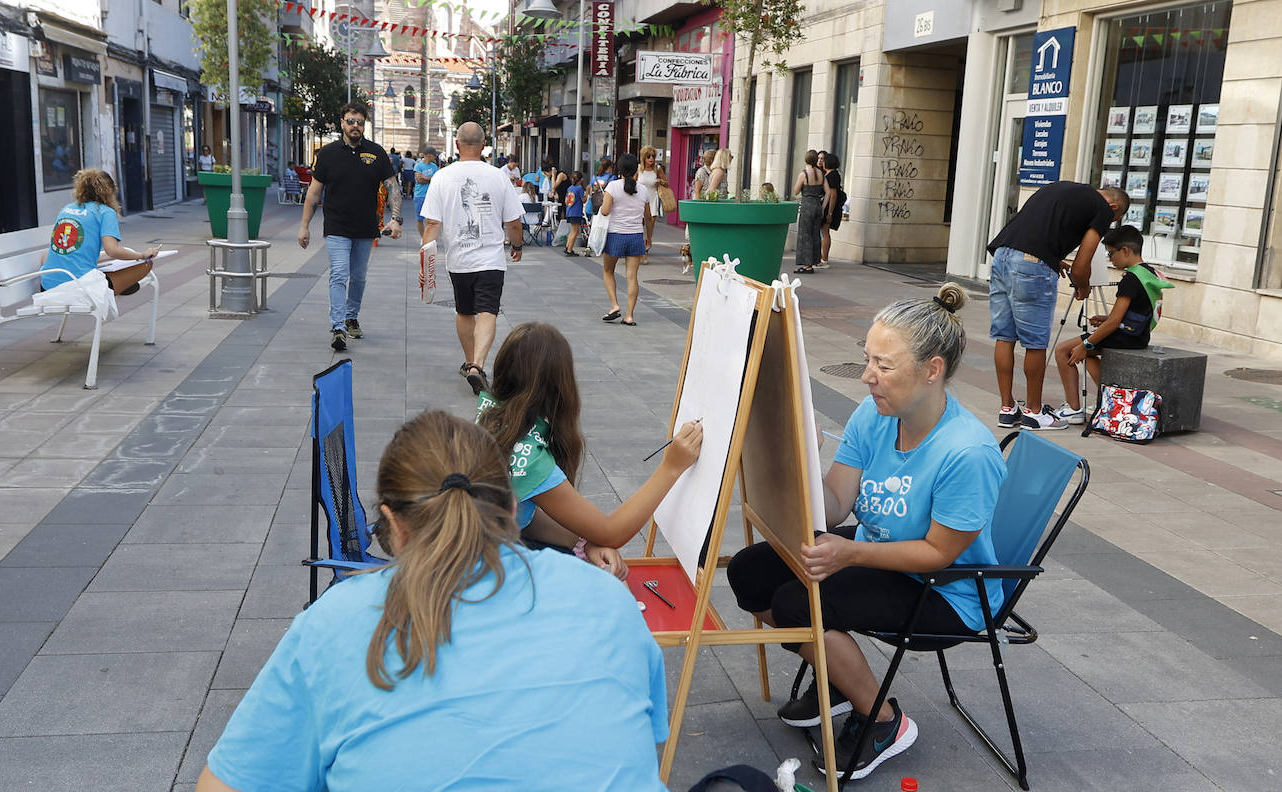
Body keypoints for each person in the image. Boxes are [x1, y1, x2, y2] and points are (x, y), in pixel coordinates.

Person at [195, 411, 671, 792]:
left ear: (392, 525)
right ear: (511, 509)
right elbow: (639, 753)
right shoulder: (609, 601)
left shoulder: (333, 626)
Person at [726, 283, 1005, 782]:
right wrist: (801, 466)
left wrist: (850, 554)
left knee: (798, 601)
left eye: (884, 365)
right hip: (879, 552)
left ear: (932, 369)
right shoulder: (873, 416)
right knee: (749, 573)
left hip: (949, 590)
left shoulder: (967, 452)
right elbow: (833, 508)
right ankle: (840, 678)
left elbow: (939, 553)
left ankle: (883, 719)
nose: (867, 376)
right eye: (867, 359)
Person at [477, 323, 703, 567]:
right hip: (489, 572)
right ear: (560, 387)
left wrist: (584, 543)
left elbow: (525, 517)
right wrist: (671, 467)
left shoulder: (490, 419)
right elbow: (612, 531)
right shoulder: (529, 459)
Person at [986, 181, 1128, 430]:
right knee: (1035, 342)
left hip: (1002, 255)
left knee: (1004, 336)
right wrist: (1082, 286)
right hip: (1032, 265)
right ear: (1113, 206)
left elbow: (1035, 231)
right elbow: (1082, 265)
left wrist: (1052, 259)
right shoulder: (1103, 208)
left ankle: (1007, 408)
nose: (1109, 222)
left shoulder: (1060, 188)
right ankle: (1034, 412)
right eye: (1115, 218)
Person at [420, 122, 524, 396]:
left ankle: (469, 362)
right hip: (490, 260)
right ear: (484, 145)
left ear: (456, 145)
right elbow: (513, 221)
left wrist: (425, 265)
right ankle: (478, 364)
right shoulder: (499, 176)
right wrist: (517, 245)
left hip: (459, 260)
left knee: (464, 311)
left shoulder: (442, 177)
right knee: (488, 312)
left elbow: (432, 224)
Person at [297, 102, 403, 352]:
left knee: (359, 276)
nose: (355, 126)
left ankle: (351, 316)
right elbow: (313, 194)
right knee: (339, 274)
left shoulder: (376, 153)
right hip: (336, 227)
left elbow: (393, 188)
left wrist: (396, 219)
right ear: (342, 123)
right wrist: (304, 227)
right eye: (351, 121)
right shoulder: (327, 154)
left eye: (360, 122)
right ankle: (338, 328)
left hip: (366, 227)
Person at [1051, 225, 1173, 423]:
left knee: (1063, 351)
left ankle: (1073, 408)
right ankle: (1111, 399)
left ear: (1124, 250)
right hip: (1137, 335)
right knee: (1085, 355)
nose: (1110, 259)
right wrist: (1105, 320)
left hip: (1124, 336)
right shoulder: (1148, 273)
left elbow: (1115, 322)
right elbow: (1139, 310)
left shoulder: (1130, 280)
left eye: (1111, 253)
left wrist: (1086, 344)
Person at [40, 169, 158, 297]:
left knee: (108, 270)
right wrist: (141, 255)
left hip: (47, 286)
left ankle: (121, 285)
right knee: (145, 265)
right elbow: (112, 251)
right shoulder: (105, 212)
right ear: (110, 191)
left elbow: (55, 253)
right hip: (78, 288)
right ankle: (122, 286)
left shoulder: (66, 209)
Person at [599, 153, 654, 327]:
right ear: (636, 168)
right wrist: (649, 237)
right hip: (636, 235)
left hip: (616, 235)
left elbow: (605, 211)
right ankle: (629, 315)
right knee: (632, 277)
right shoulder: (643, 190)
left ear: (619, 169)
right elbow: (648, 217)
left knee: (608, 271)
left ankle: (615, 305)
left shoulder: (613, 187)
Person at [793, 150, 825, 274]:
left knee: (805, 234)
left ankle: (807, 265)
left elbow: (796, 191)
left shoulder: (804, 174)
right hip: (817, 205)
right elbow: (827, 192)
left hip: (807, 205)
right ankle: (815, 261)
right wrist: (823, 206)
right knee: (815, 233)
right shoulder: (821, 174)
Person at [819, 151, 844, 270]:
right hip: (826, 207)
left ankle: (824, 259)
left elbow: (833, 195)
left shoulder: (832, 176)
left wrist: (830, 212)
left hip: (829, 208)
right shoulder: (829, 174)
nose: (822, 162)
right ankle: (822, 257)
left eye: (824, 160)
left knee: (825, 232)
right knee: (823, 232)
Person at [412, 147, 440, 238]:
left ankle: (429, 237)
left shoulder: (434, 166)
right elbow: (419, 180)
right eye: (434, 155)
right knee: (420, 219)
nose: (436, 157)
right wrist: (431, 179)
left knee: (431, 219)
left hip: (431, 195)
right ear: (428, 155)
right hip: (420, 195)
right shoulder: (418, 166)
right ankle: (423, 237)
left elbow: (437, 181)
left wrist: (426, 177)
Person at [637, 145, 668, 219]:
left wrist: (660, 181)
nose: (651, 158)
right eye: (648, 156)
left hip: (653, 199)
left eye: (653, 156)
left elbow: (667, 184)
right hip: (640, 200)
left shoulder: (657, 169)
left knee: (650, 227)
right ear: (644, 157)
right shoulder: (638, 168)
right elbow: (632, 182)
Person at [562, 171, 586, 257]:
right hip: (576, 212)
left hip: (569, 211)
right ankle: (569, 250)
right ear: (581, 179)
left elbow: (566, 201)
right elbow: (583, 200)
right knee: (575, 231)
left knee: (572, 231)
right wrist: (587, 194)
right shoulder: (579, 188)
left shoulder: (570, 188)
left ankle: (567, 246)